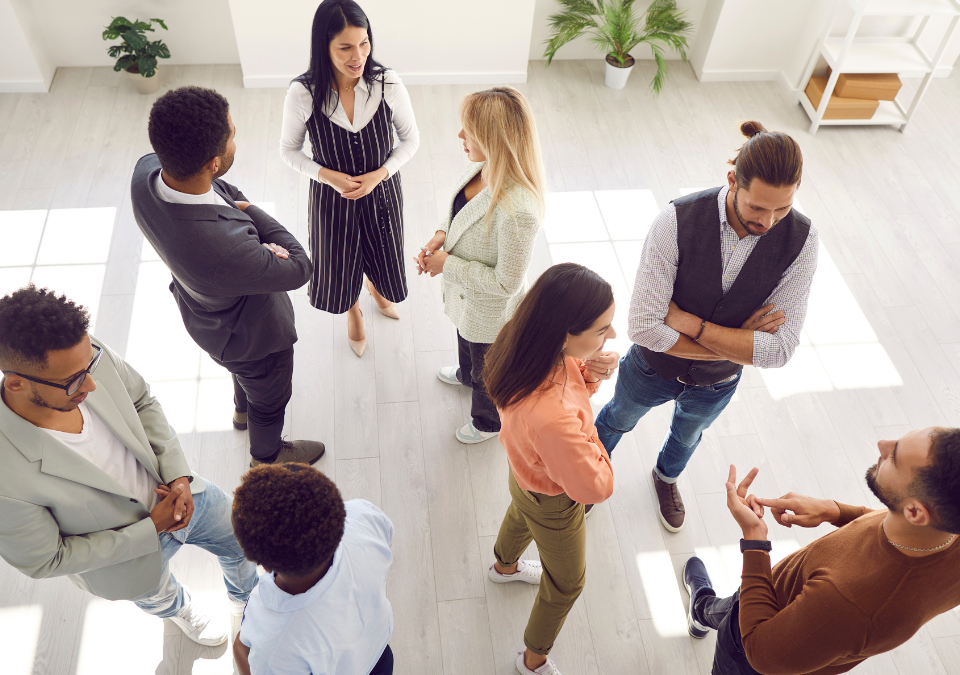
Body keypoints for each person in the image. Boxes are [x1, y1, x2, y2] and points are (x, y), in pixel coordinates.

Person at [0, 285, 257, 646]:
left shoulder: (83, 357)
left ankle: (248, 602)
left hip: (184, 492)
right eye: (73, 381)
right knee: (159, 596)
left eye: (90, 365)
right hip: (126, 558)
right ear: (16, 383)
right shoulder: (5, 475)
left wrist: (179, 476)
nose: (90, 382)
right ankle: (178, 609)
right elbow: (47, 559)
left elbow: (141, 399)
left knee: (242, 541)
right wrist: (152, 528)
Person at [594, 120, 819, 533]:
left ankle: (665, 479)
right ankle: (587, 480)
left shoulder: (803, 241)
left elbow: (780, 351)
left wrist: (689, 324)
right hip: (649, 368)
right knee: (615, 420)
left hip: (716, 384)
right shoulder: (674, 222)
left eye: (783, 208)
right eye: (757, 207)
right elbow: (644, 327)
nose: (769, 222)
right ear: (732, 180)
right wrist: (739, 341)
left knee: (686, 439)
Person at [132, 85, 325, 469]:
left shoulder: (146, 172)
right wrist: (251, 210)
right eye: (232, 135)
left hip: (206, 319)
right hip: (254, 339)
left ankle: (241, 412)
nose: (236, 139)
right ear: (213, 162)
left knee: (244, 380)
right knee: (269, 402)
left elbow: (223, 191)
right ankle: (266, 458)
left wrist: (243, 220)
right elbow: (301, 266)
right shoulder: (227, 251)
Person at [684, 426, 960, 675]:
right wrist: (833, 511)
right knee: (728, 608)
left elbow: (761, 653)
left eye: (894, 457)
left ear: (915, 512)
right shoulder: (941, 528)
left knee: (734, 618)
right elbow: (894, 525)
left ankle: (702, 610)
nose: (882, 443)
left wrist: (755, 538)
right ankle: (701, 611)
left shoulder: (851, 603)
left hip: (759, 640)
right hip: (782, 601)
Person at [482, 263, 620, 675]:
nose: (611, 335)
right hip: (555, 500)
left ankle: (503, 567)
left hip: (523, 468)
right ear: (564, 334)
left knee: (521, 510)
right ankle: (533, 660)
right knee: (567, 584)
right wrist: (594, 438)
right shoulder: (554, 418)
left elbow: (564, 386)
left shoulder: (520, 341)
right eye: (602, 329)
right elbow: (595, 488)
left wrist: (587, 372)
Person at [281, 0, 420, 357]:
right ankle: (353, 310)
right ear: (323, 46)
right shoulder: (303, 93)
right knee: (339, 261)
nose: (357, 56)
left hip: (382, 191)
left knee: (382, 250)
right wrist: (327, 175)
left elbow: (411, 140)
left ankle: (376, 288)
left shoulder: (386, 83)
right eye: (345, 47)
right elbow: (289, 151)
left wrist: (380, 174)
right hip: (331, 198)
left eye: (364, 43)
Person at [414, 86, 546, 444]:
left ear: (494, 138)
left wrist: (447, 265)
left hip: (490, 310)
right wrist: (442, 234)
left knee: (487, 369)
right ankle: (463, 373)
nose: (459, 136)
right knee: (465, 341)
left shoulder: (519, 211)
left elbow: (507, 283)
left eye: (468, 131)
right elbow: (459, 209)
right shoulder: (482, 168)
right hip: (467, 300)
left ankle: (488, 423)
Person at [231, 463, 394, 675]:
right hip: (378, 652)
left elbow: (256, 661)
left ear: (265, 564)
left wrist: (239, 650)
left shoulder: (277, 643)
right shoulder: (363, 517)